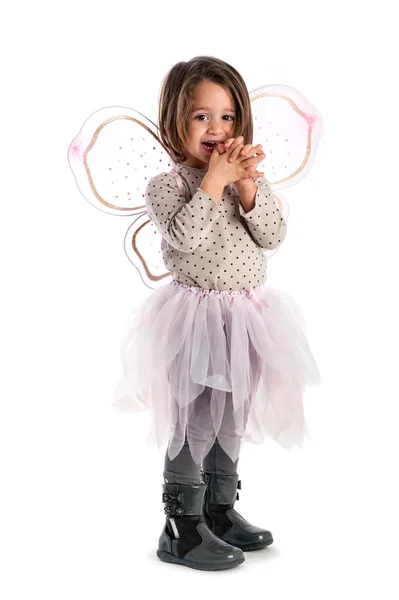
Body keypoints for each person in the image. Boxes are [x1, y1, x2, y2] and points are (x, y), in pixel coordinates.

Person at [114, 56, 322, 571]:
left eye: (227, 117)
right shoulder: (170, 186)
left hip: (249, 317)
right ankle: (180, 527)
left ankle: (219, 509)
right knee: (196, 417)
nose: (216, 128)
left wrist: (247, 186)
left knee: (234, 413)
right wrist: (213, 182)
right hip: (197, 320)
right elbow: (185, 241)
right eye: (201, 117)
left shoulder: (245, 179)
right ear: (174, 124)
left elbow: (272, 236)